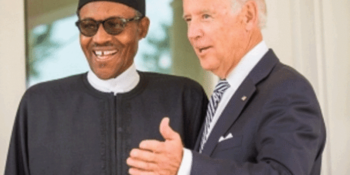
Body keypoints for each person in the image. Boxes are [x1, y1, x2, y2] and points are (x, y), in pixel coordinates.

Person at [4, 0, 208, 174]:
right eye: (88, 26)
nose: (100, 38)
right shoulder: (40, 105)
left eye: (115, 24)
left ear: (142, 28)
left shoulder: (184, 98)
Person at [126, 0, 326, 174]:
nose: (192, 33)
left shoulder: (287, 90)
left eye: (206, 16)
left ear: (248, 16)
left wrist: (186, 165)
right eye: (188, 19)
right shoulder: (223, 94)